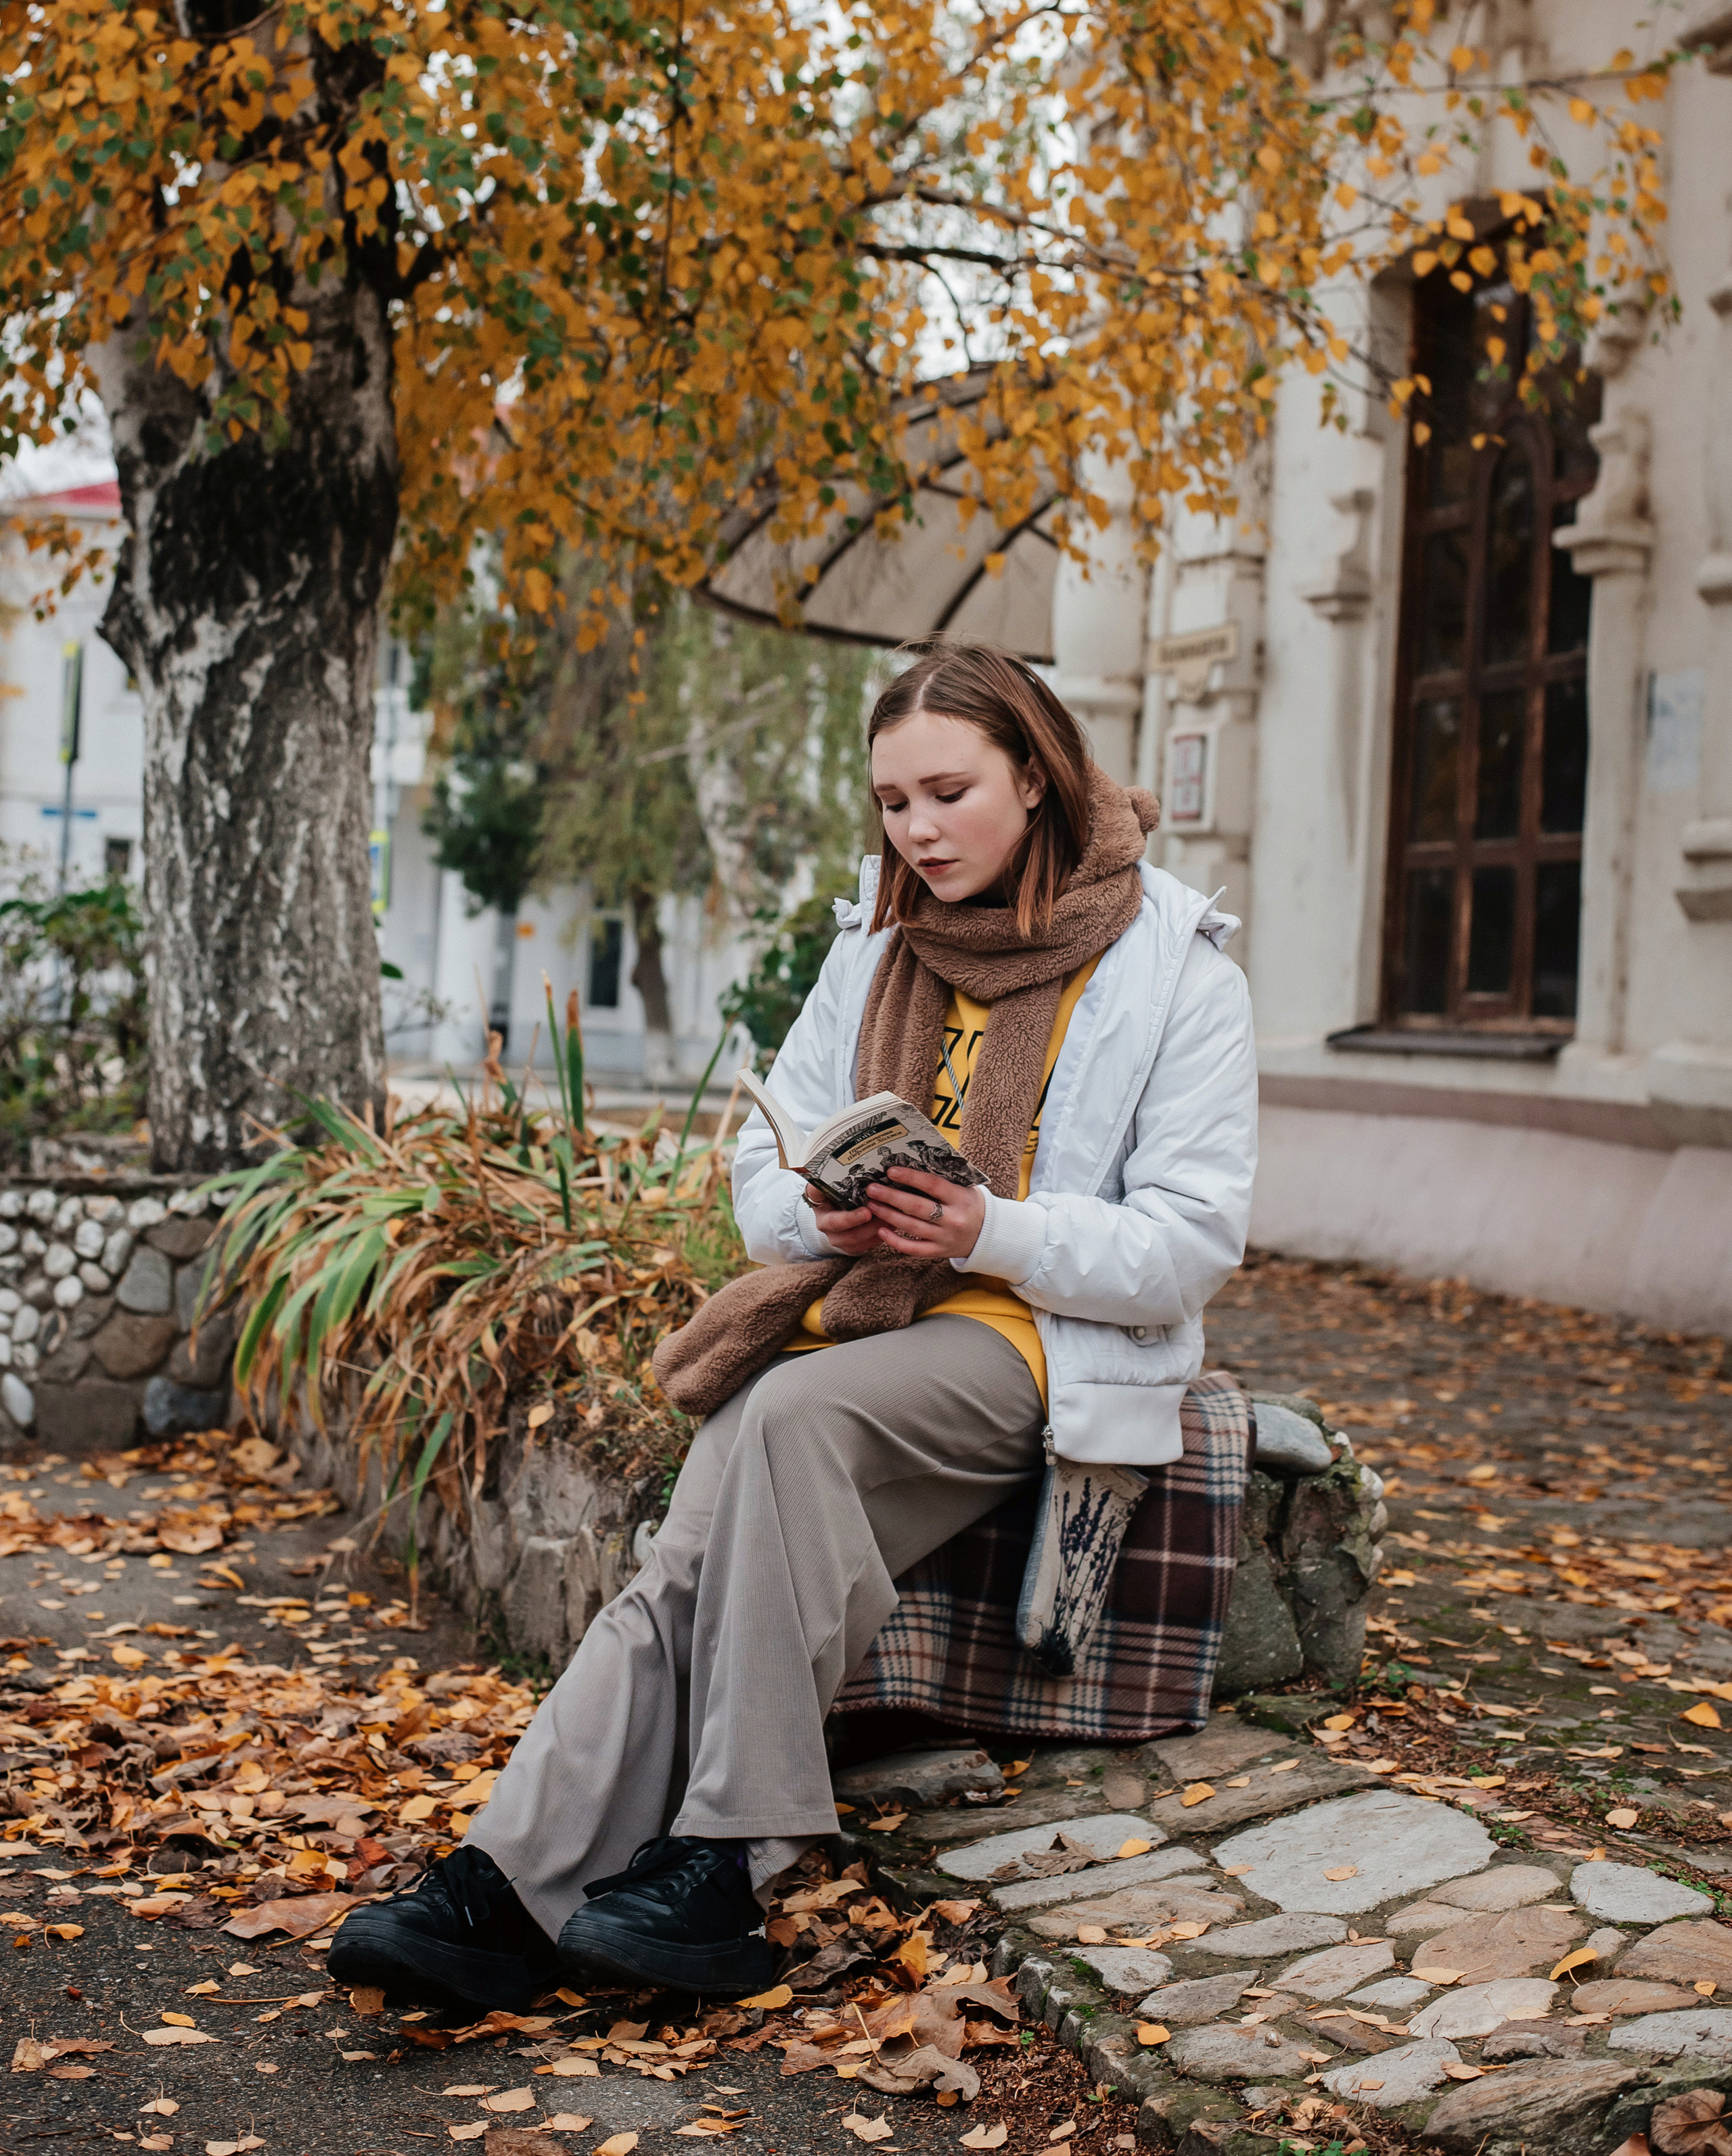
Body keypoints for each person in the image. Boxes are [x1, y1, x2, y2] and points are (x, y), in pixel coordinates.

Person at [331, 639, 1258, 2013]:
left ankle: (728, 1847)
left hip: (1037, 1341)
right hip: (860, 1315)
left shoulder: (1174, 965)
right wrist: (814, 1221)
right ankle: (506, 1884)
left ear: (1038, 777)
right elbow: (762, 1168)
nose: (916, 830)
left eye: (946, 792)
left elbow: (1192, 1239)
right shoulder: (875, 949)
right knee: (683, 1564)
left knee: (785, 1412)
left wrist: (983, 1230)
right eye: (891, 803)